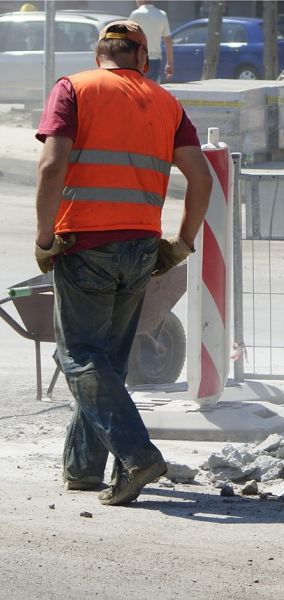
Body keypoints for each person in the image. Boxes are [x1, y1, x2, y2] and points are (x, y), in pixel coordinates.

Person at [33, 20, 211, 505]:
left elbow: (52, 166)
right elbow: (202, 179)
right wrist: (182, 243)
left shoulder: (74, 88)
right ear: (142, 60)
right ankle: (84, 469)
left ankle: (137, 456)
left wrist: (45, 238)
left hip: (85, 245)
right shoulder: (166, 102)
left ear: (99, 55)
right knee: (106, 360)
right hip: (141, 247)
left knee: (78, 356)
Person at [129, 1, 173, 83]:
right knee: (151, 89)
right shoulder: (162, 15)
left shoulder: (135, 15)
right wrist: (169, 63)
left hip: (138, 59)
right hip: (155, 60)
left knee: (138, 89)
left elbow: (127, 37)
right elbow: (168, 40)